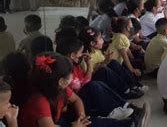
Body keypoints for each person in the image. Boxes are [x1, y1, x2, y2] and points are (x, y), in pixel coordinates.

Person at [18, 53, 147, 127]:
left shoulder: (58, 88)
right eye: (70, 75)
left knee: (93, 88)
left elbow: (76, 99)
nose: (72, 76)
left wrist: (81, 115)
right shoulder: (39, 101)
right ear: (61, 81)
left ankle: (130, 113)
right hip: (55, 123)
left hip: (59, 119)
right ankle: (131, 124)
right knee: (91, 123)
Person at [56, 37, 143, 99]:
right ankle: (125, 93)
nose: (82, 54)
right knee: (100, 77)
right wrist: (89, 64)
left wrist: (105, 61)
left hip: (88, 85)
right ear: (72, 55)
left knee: (112, 63)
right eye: (80, 52)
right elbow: (86, 82)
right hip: (82, 93)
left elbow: (85, 78)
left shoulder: (76, 65)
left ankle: (130, 87)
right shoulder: (67, 70)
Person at [78, 27, 147, 94]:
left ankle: (133, 85)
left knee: (113, 63)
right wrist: (106, 61)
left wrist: (106, 60)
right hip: (96, 82)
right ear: (92, 43)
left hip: (106, 74)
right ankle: (125, 91)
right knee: (105, 70)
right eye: (100, 38)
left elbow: (103, 63)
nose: (103, 40)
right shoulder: (85, 57)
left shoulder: (97, 51)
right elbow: (92, 75)